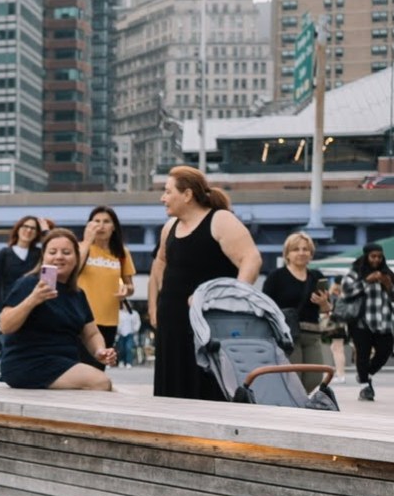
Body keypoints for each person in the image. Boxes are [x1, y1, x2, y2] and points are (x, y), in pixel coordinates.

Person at [149, 166, 262, 401]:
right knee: (171, 389)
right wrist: (153, 307)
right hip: (172, 321)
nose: (163, 198)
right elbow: (159, 263)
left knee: (207, 386)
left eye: (168, 192)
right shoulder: (169, 227)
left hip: (208, 321)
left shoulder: (220, 219)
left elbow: (251, 259)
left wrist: (230, 300)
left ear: (187, 194)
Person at [0, 228, 115, 391]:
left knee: (114, 391)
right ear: (44, 257)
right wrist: (33, 299)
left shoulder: (77, 294)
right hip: (27, 363)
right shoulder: (29, 284)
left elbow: (91, 333)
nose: (59, 257)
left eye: (66, 252)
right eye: (52, 252)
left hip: (65, 363)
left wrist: (100, 351)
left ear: (76, 258)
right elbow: (5, 325)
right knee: (100, 382)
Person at [264, 232, 333, 371]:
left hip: (312, 333)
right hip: (288, 334)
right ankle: (296, 394)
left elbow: (327, 309)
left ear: (311, 254)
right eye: (296, 249)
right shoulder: (276, 277)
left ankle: (297, 394)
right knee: (294, 376)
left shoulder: (316, 276)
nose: (301, 253)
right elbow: (265, 306)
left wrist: (323, 303)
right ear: (287, 254)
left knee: (314, 377)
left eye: (305, 249)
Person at [336, 244, 394, 401]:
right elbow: (346, 292)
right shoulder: (355, 273)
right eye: (373, 256)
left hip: (384, 321)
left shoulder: (388, 273)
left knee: (385, 351)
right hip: (361, 322)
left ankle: (365, 374)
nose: (376, 260)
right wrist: (366, 281)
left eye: (379, 257)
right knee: (363, 354)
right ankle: (365, 387)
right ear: (366, 256)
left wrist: (389, 286)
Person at [76, 207, 134, 351]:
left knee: (99, 365)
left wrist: (126, 290)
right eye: (96, 221)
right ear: (89, 225)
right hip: (81, 319)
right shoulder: (79, 248)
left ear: (113, 227)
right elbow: (72, 271)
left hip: (109, 320)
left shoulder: (122, 252)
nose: (101, 226)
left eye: (106, 222)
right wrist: (87, 242)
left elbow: (130, 287)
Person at [0, 216, 44, 310]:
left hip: (34, 308)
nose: (29, 230)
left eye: (33, 228)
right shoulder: (5, 254)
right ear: (18, 229)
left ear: (37, 233)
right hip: (10, 307)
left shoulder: (40, 254)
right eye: (25, 226)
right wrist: (1, 308)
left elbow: (53, 244)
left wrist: (45, 230)